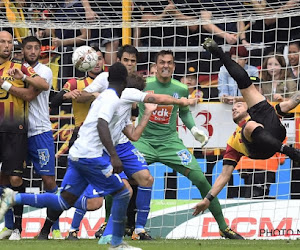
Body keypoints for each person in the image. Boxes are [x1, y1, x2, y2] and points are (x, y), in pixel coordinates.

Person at [0, 62, 142, 250]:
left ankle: (16, 199)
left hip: (79, 152)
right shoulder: (108, 97)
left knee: (64, 201)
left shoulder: (105, 97)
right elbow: (100, 124)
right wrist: (181, 101)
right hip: (91, 155)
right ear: (123, 81)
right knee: (121, 193)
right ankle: (115, 242)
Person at [131, 49, 243, 240]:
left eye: (169, 62)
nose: (165, 65)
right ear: (155, 66)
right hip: (144, 143)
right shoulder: (144, 85)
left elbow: (183, 112)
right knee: (120, 178)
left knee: (200, 179)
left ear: (173, 66)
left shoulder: (181, 89)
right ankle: (109, 225)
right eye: (162, 62)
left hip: (170, 143)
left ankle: (223, 227)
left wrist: (193, 130)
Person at [193, 38, 300, 216]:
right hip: (260, 150)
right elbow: (224, 175)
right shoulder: (234, 141)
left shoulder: (262, 110)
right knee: (250, 125)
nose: (234, 107)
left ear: (245, 107)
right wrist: (207, 199)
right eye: (233, 108)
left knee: (249, 89)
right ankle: (288, 151)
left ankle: (218, 52)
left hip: (273, 131)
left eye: (238, 105)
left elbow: (293, 101)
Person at [0, 31, 48, 240]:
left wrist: (8, 84)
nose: (7, 46)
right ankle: (9, 226)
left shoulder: (20, 67)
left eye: (10, 42)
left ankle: (18, 227)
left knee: (15, 178)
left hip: (16, 129)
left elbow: (41, 86)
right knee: (2, 179)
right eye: (2, 42)